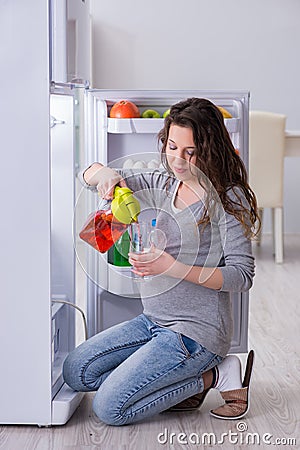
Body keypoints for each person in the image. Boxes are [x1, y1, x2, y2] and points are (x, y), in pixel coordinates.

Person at [63, 97, 259, 425]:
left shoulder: (227, 197)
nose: (178, 160)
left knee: (109, 408)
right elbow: (88, 173)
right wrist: (106, 175)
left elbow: (242, 275)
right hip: (153, 320)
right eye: (171, 147)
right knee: (76, 371)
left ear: (209, 150)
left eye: (190, 151)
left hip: (198, 332)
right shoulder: (163, 183)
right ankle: (176, 381)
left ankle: (215, 376)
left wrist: (172, 267)